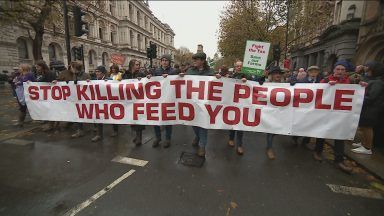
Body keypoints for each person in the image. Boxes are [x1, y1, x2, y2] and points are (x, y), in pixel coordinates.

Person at [314, 61, 352, 173]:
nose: (340, 72)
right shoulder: (325, 80)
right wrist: (326, 86)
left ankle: (339, 160)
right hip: (326, 112)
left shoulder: (350, 82)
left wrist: (362, 87)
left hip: (340, 114)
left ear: (345, 72)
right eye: (338, 69)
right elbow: (316, 92)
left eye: (342, 70)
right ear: (334, 70)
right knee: (322, 132)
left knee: (339, 135)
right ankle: (317, 151)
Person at [179, 52, 214, 157]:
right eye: (193, 59)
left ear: (203, 61)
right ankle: (198, 136)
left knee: (203, 124)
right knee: (194, 122)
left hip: (204, 103)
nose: (194, 61)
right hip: (192, 103)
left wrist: (218, 78)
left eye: (196, 59)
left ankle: (202, 146)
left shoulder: (211, 72)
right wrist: (181, 77)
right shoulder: (189, 71)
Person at [351, 62, 384, 155]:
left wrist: (358, 100)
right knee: (364, 127)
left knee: (367, 127)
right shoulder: (373, 80)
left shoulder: (378, 82)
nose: (365, 69)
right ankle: (363, 143)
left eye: (368, 68)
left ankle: (367, 147)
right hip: (367, 107)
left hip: (371, 109)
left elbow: (371, 97)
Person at [217, 60, 248, 155]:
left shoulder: (247, 77)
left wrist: (247, 81)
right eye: (237, 66)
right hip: (232, 103)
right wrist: (220, 78)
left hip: (243, 104)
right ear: (235, 67)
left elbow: (257, 82)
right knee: (232, 122)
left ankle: (239, 145)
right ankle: (231, 138)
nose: (239, 67)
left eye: (240, 66)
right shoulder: (231, 76)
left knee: (240, 125)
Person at [55, 61, 91, 138]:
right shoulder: (71, 74)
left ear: (74, 68)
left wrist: (89, 82)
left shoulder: (85, 75)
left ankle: (93, 126)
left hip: (83, 99)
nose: (70, 68)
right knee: (78, 114)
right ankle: (80, 130)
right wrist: (57, 82)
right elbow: (63, 81)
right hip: (75, 98)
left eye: (71, 67)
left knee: (85, 112)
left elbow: (92, 86)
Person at [147, 54, 176, 148]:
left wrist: (171, 77)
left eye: (166, 60)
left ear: (169, 62)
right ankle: (158, 137)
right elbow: (150, 81)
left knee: (168, 119)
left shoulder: (173, 71)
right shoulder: (156, 71)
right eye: (163, 60)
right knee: (155, 118)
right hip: (157, 99)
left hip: (168, 98)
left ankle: (167, 139)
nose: (164, 62)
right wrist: (146, 77)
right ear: (161, 61)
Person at [90, 66, 120, 142]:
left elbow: (116, 87)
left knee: (112, 116)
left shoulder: (109, 79)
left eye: (98, 71)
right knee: (98, 117)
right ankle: (99, 135)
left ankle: (115, 131)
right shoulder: (94, 80)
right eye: (96, 71)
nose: (97, 73)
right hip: (99, 102)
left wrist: (110, 82)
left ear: (103, 72)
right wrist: (87, 82)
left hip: (109, 102)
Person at [122, 59, 146, 146]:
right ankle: (136, 135)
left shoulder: (142, 74)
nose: (138, 66)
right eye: (136, 65)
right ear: (131, 65)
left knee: (138, 118)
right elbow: (120, 84)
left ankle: (139, 137)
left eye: (139, 65)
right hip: (129, 101)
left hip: (138, 100)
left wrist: (142, 80)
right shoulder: (126, 75)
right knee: (131, 119)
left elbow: (147, 82)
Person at [264, 66, 284, 159]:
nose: (278, 75)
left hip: (280, 112)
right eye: (276, 73)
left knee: (277, 130)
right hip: (269, 112)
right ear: (271, 75)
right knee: (270, 131)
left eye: (279, 73)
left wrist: (294, 85)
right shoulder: (266, 84)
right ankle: (269, 148)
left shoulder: (286, 85)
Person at [35, 60, 58, 132]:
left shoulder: (48, 73)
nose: (36, 68)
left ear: (42, 67)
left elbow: (49, 83)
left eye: (38, 67)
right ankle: (53, 124)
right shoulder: (42, 73)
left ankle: (51, 125)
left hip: (50, 94)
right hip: (46, 94)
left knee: (50, 109)